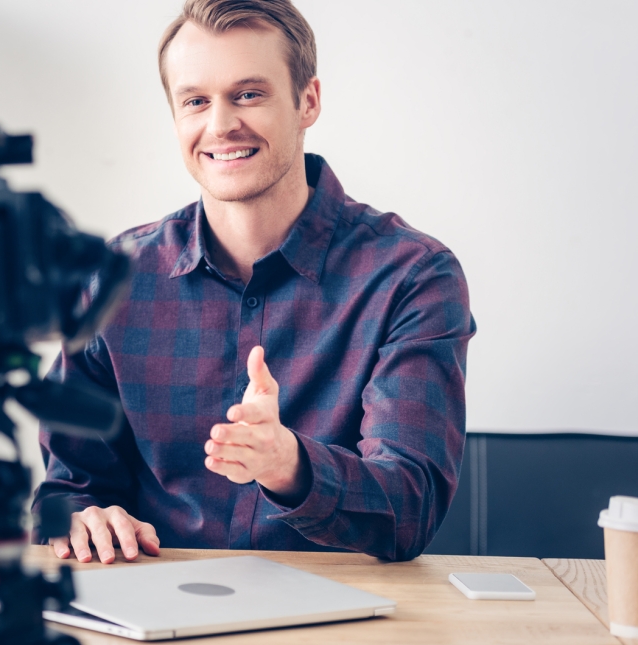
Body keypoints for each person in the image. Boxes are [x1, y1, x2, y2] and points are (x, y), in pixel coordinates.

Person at [34, 0, 475, 563]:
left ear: (307, 101)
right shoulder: (113, 278)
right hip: (154, 606)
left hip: (341, 612)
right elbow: (72, 481)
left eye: (248, 94)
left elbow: (410, 509)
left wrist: (287, 464)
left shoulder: (412, 276)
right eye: (195, 100)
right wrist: (83, 517)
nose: (220, 124)